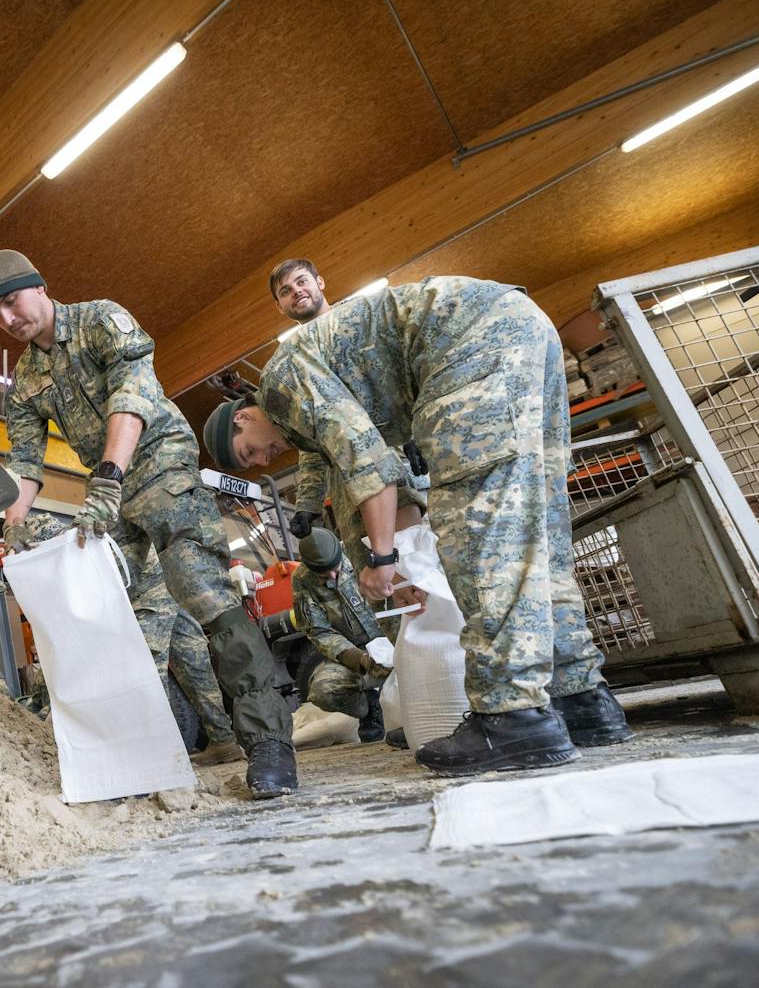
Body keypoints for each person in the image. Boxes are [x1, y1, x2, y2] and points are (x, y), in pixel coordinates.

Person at [203, 275, 633, 776]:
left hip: (467, 342)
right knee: (537, 527)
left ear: (241, 419)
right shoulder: (312, 414)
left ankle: (513, 716)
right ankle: (582, 698)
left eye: (251, 451)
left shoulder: (281, 385)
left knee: (479, 537)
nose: (266, 458)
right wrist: (381, 561)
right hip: (517, 327)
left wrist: (384, 562)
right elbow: (357, 485)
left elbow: (370, 466)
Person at [0, 250, 296, 797]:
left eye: (12, 301)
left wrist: (105, 478)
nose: (9, 320)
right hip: (111, 493)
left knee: (207, 598)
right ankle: (129, 757)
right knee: (106, 612)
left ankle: (270, 744)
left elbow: (133, 395)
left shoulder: (103, 318)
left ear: (39, 287)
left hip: (160, 466)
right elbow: (26, 463)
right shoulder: (28, 377)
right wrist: (11, 531)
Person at [20, 511, 239, 760]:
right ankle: (224, 741)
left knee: (145, 674)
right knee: (194, 665)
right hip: (168, 587)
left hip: (150, 595)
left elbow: (106, 600)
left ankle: (161, 760)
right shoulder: (77, 543)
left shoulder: (83, 546)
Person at [269, 258, 427, 580]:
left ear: (320, 282)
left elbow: (399, 372)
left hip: (389, 464)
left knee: (414, 566)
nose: (296, 292)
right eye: (286, 291)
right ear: (279, 306)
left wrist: (414, 433)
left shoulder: (358, 318)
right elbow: (312, 443)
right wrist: (307, 505)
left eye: (302, 282)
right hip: (347, 492)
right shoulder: (296, 360)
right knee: (384, 590)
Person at [291, 528, 389, 743]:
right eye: (324, 575)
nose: (333, 577)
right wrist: (359, 659)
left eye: (335, 569)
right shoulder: (302, 580)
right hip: (356, 655)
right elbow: (319, 630)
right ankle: (371, 708)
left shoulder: (364, 553)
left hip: (394, 643)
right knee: (323, 690)